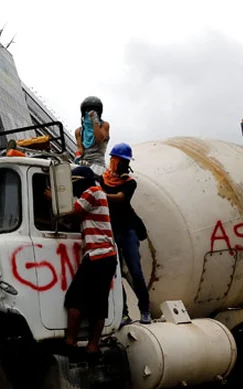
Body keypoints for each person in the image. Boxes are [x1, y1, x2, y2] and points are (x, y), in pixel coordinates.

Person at [60, 166, 118, 360]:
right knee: (98, 304)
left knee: (74, 299)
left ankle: (70, 343)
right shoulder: (97, 193)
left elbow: (73, 212)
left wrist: (54, 199)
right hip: (106, 256)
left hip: (97, 255)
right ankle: (93, 348)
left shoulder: (92, 192)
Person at [99, 143, 152, 326]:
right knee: (116, 273)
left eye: (124, 162)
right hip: (111, 230)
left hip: (127, 230)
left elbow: (121, 198)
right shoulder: (102, 180)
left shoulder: (130, 183)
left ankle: (145, 309)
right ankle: (123, 313)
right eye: (118, 160)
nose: (120, 164)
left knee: (135, 272)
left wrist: (100, 194)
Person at [75, 97, 110, 176]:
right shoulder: (79, 131)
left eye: (94, 110)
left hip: (98, 165)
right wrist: (77, 156)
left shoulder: (104, 125)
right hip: (84, 163)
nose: (90, 112)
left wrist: (95, 121)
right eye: (87, 110)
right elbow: (80, 148)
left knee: (94, 182)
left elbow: (99, 139)